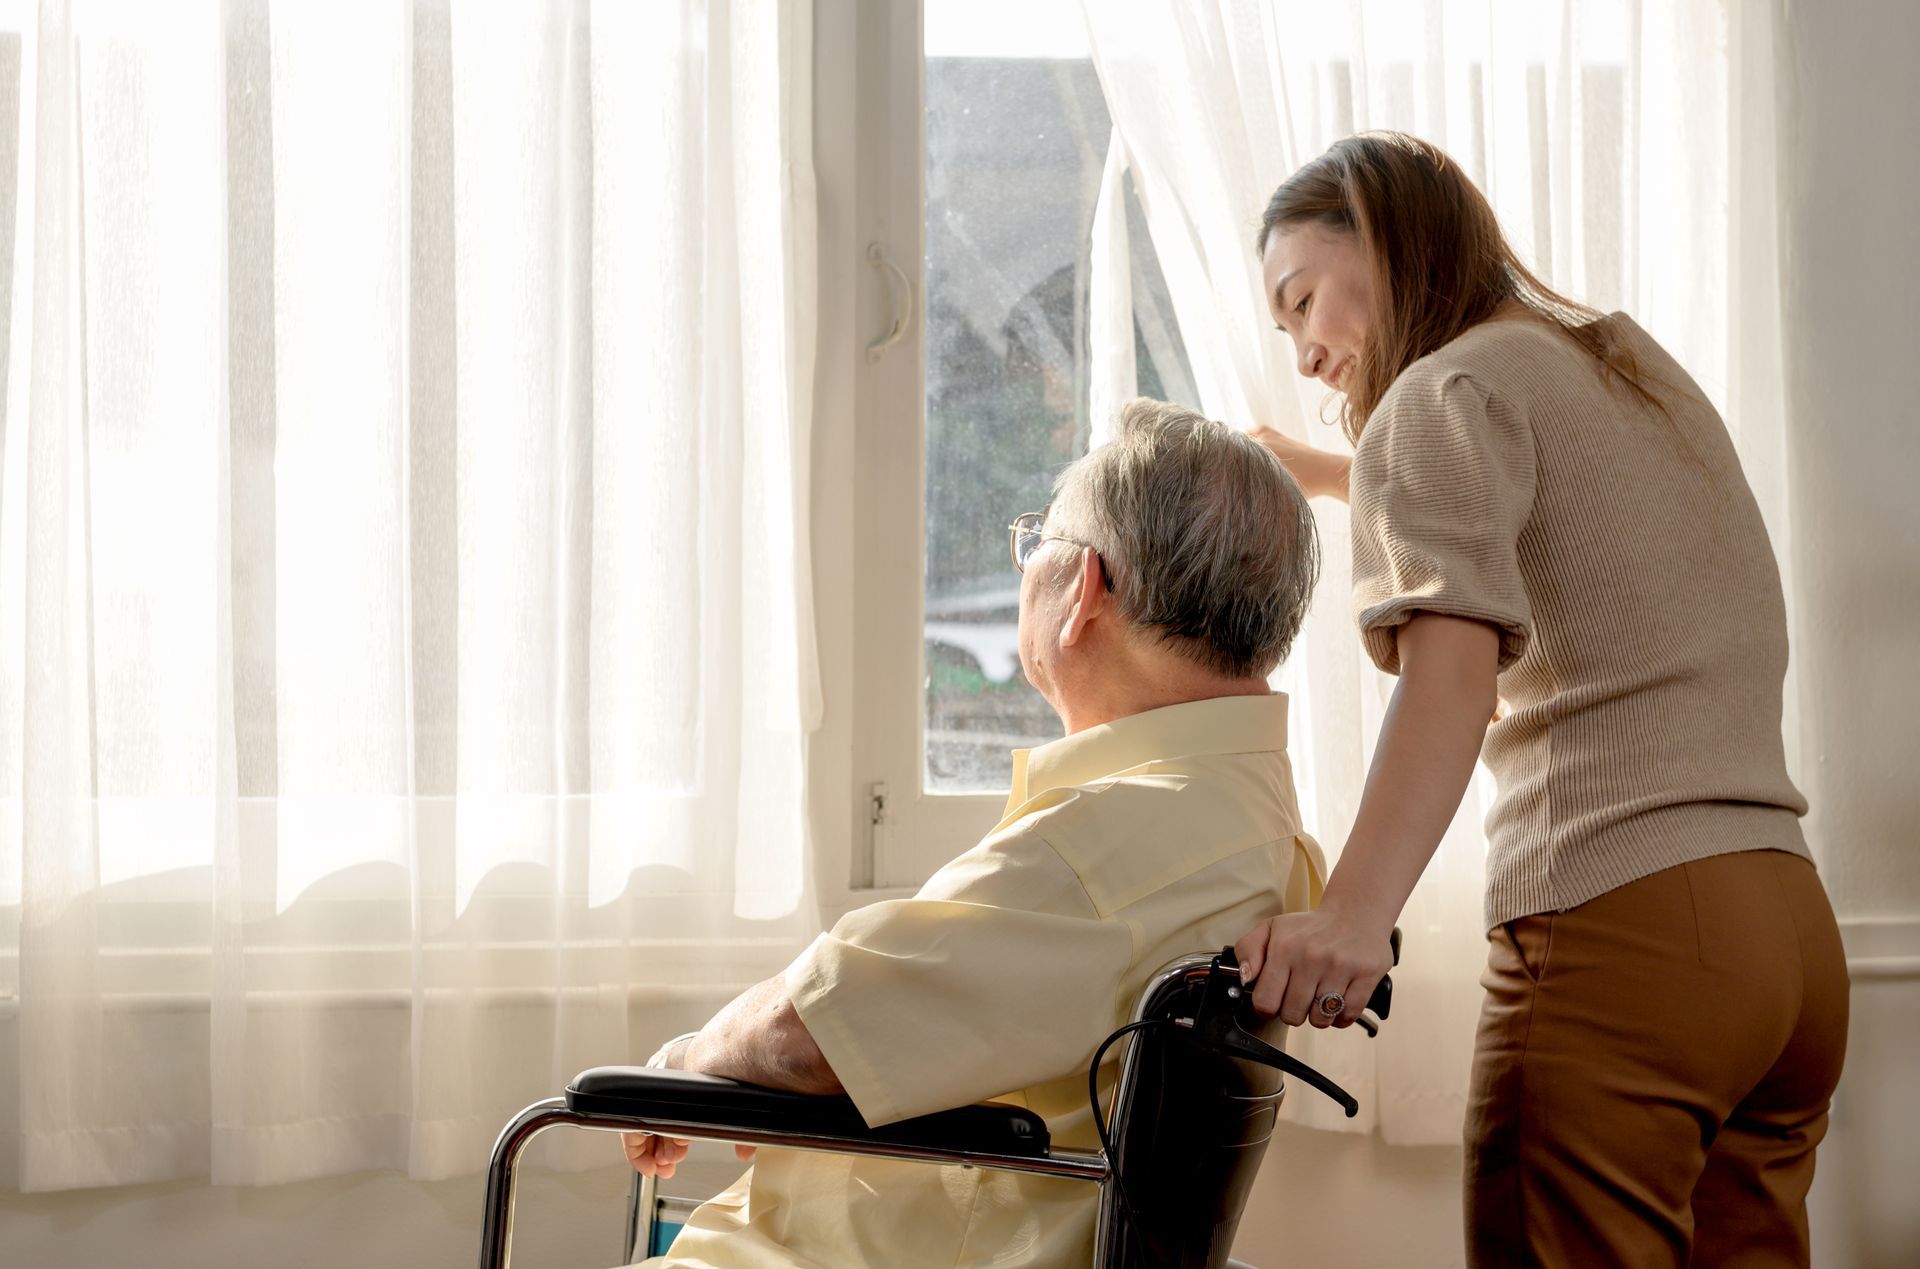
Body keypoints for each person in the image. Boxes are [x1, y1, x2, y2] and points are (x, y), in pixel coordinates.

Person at [1231, 131, 1848, 1268]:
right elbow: (1566, 516)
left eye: (1303, 299)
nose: (1306, 355)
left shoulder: (1439, 395)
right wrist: (1335, 474)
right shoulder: (1624, 366)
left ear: (1385, 237)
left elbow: (1451, 678)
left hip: (1628, 927)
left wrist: (1355, 914)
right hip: (1787, 941)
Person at [620, 399, 1326, 1267]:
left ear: (1084, 590)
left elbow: (807, 1037)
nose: (1026, 568)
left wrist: (687, 1060)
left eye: (1036, 542)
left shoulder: (1113, 842)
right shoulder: (1246, 805)